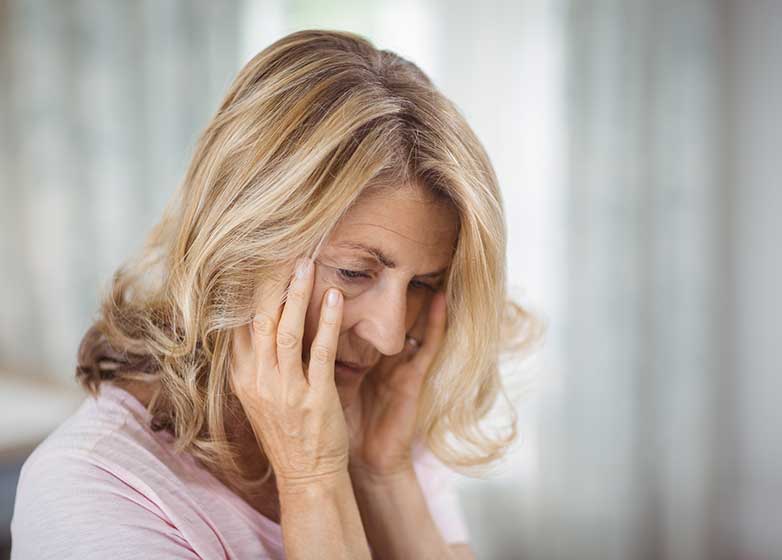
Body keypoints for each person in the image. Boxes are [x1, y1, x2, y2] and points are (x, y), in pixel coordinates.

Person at [11, 29, 538, 559]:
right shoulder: (95, 488)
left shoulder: (383, 423)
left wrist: (383, 475)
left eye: (424, 284)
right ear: (240, 246)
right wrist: (312, 477)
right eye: (354, 272)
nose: (390, 335)